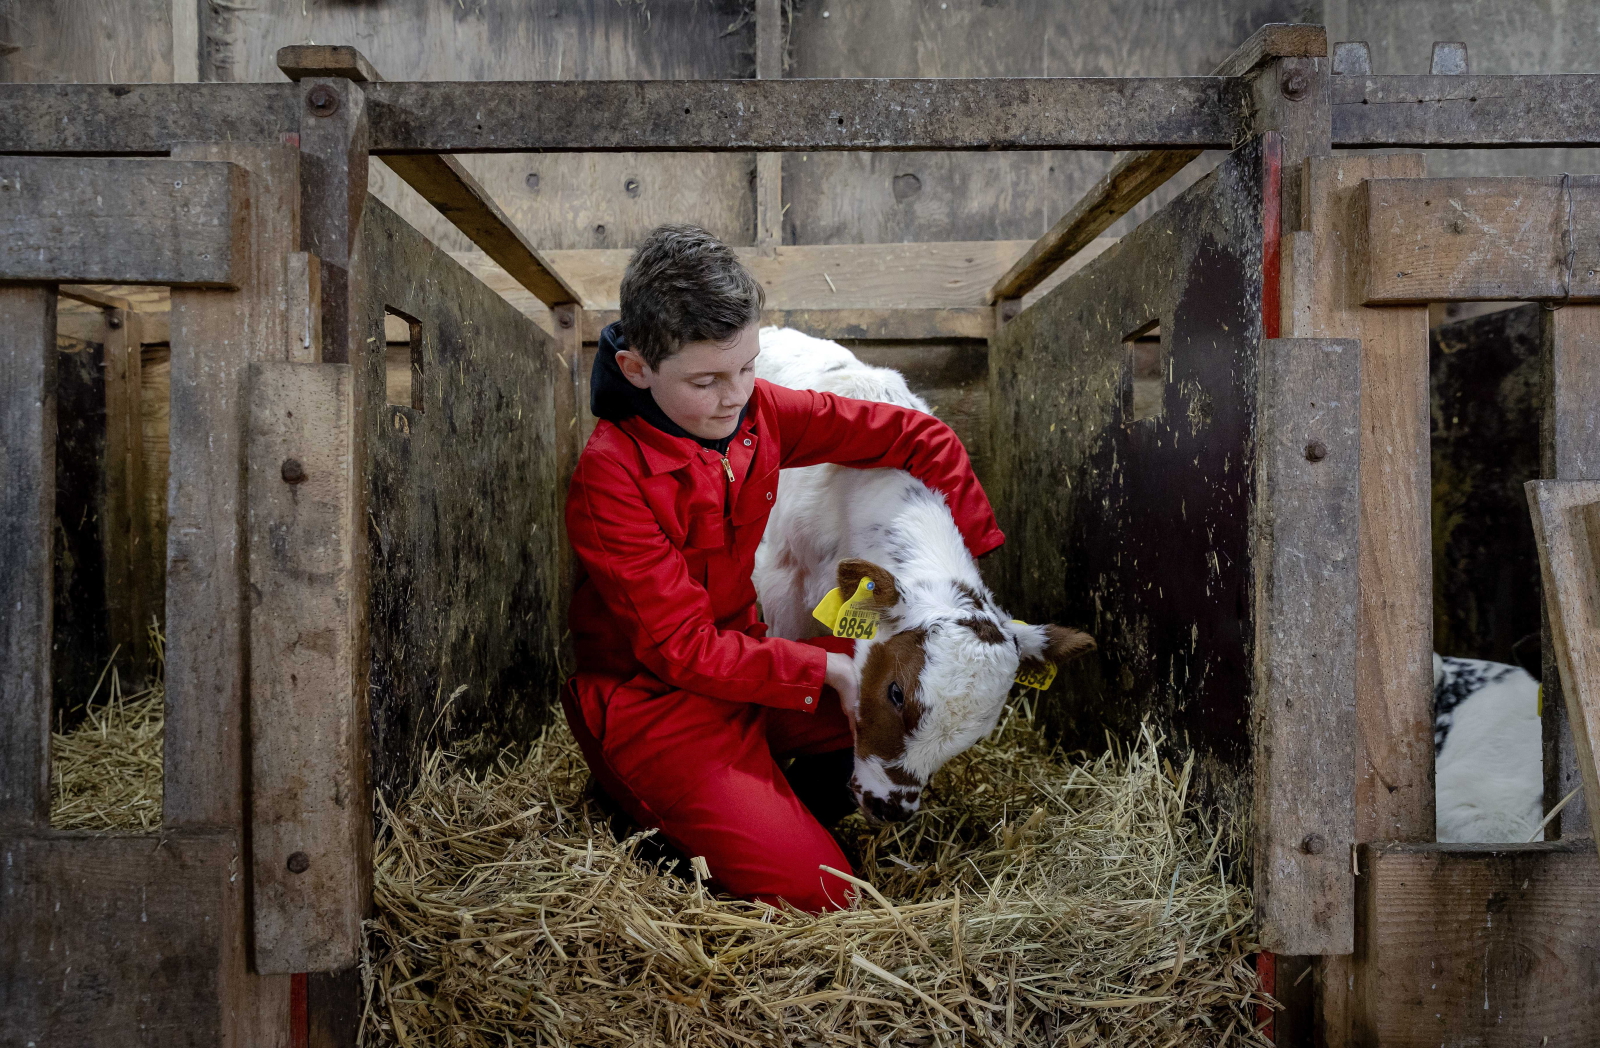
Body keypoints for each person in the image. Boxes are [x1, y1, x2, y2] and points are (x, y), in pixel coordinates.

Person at [561, 225, 1004, 912]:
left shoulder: (756, 411)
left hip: (749, 672)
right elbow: (684, 650)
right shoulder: (610, 480)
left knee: (910, 700)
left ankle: (769, 804)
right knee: (828, 896)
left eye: (746, 367)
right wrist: (826, 670)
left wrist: (975, 554)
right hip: (657, 704)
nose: (735, 394)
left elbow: (916, 433)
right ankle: (650, 808)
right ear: (638, 370)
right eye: (706, 380)